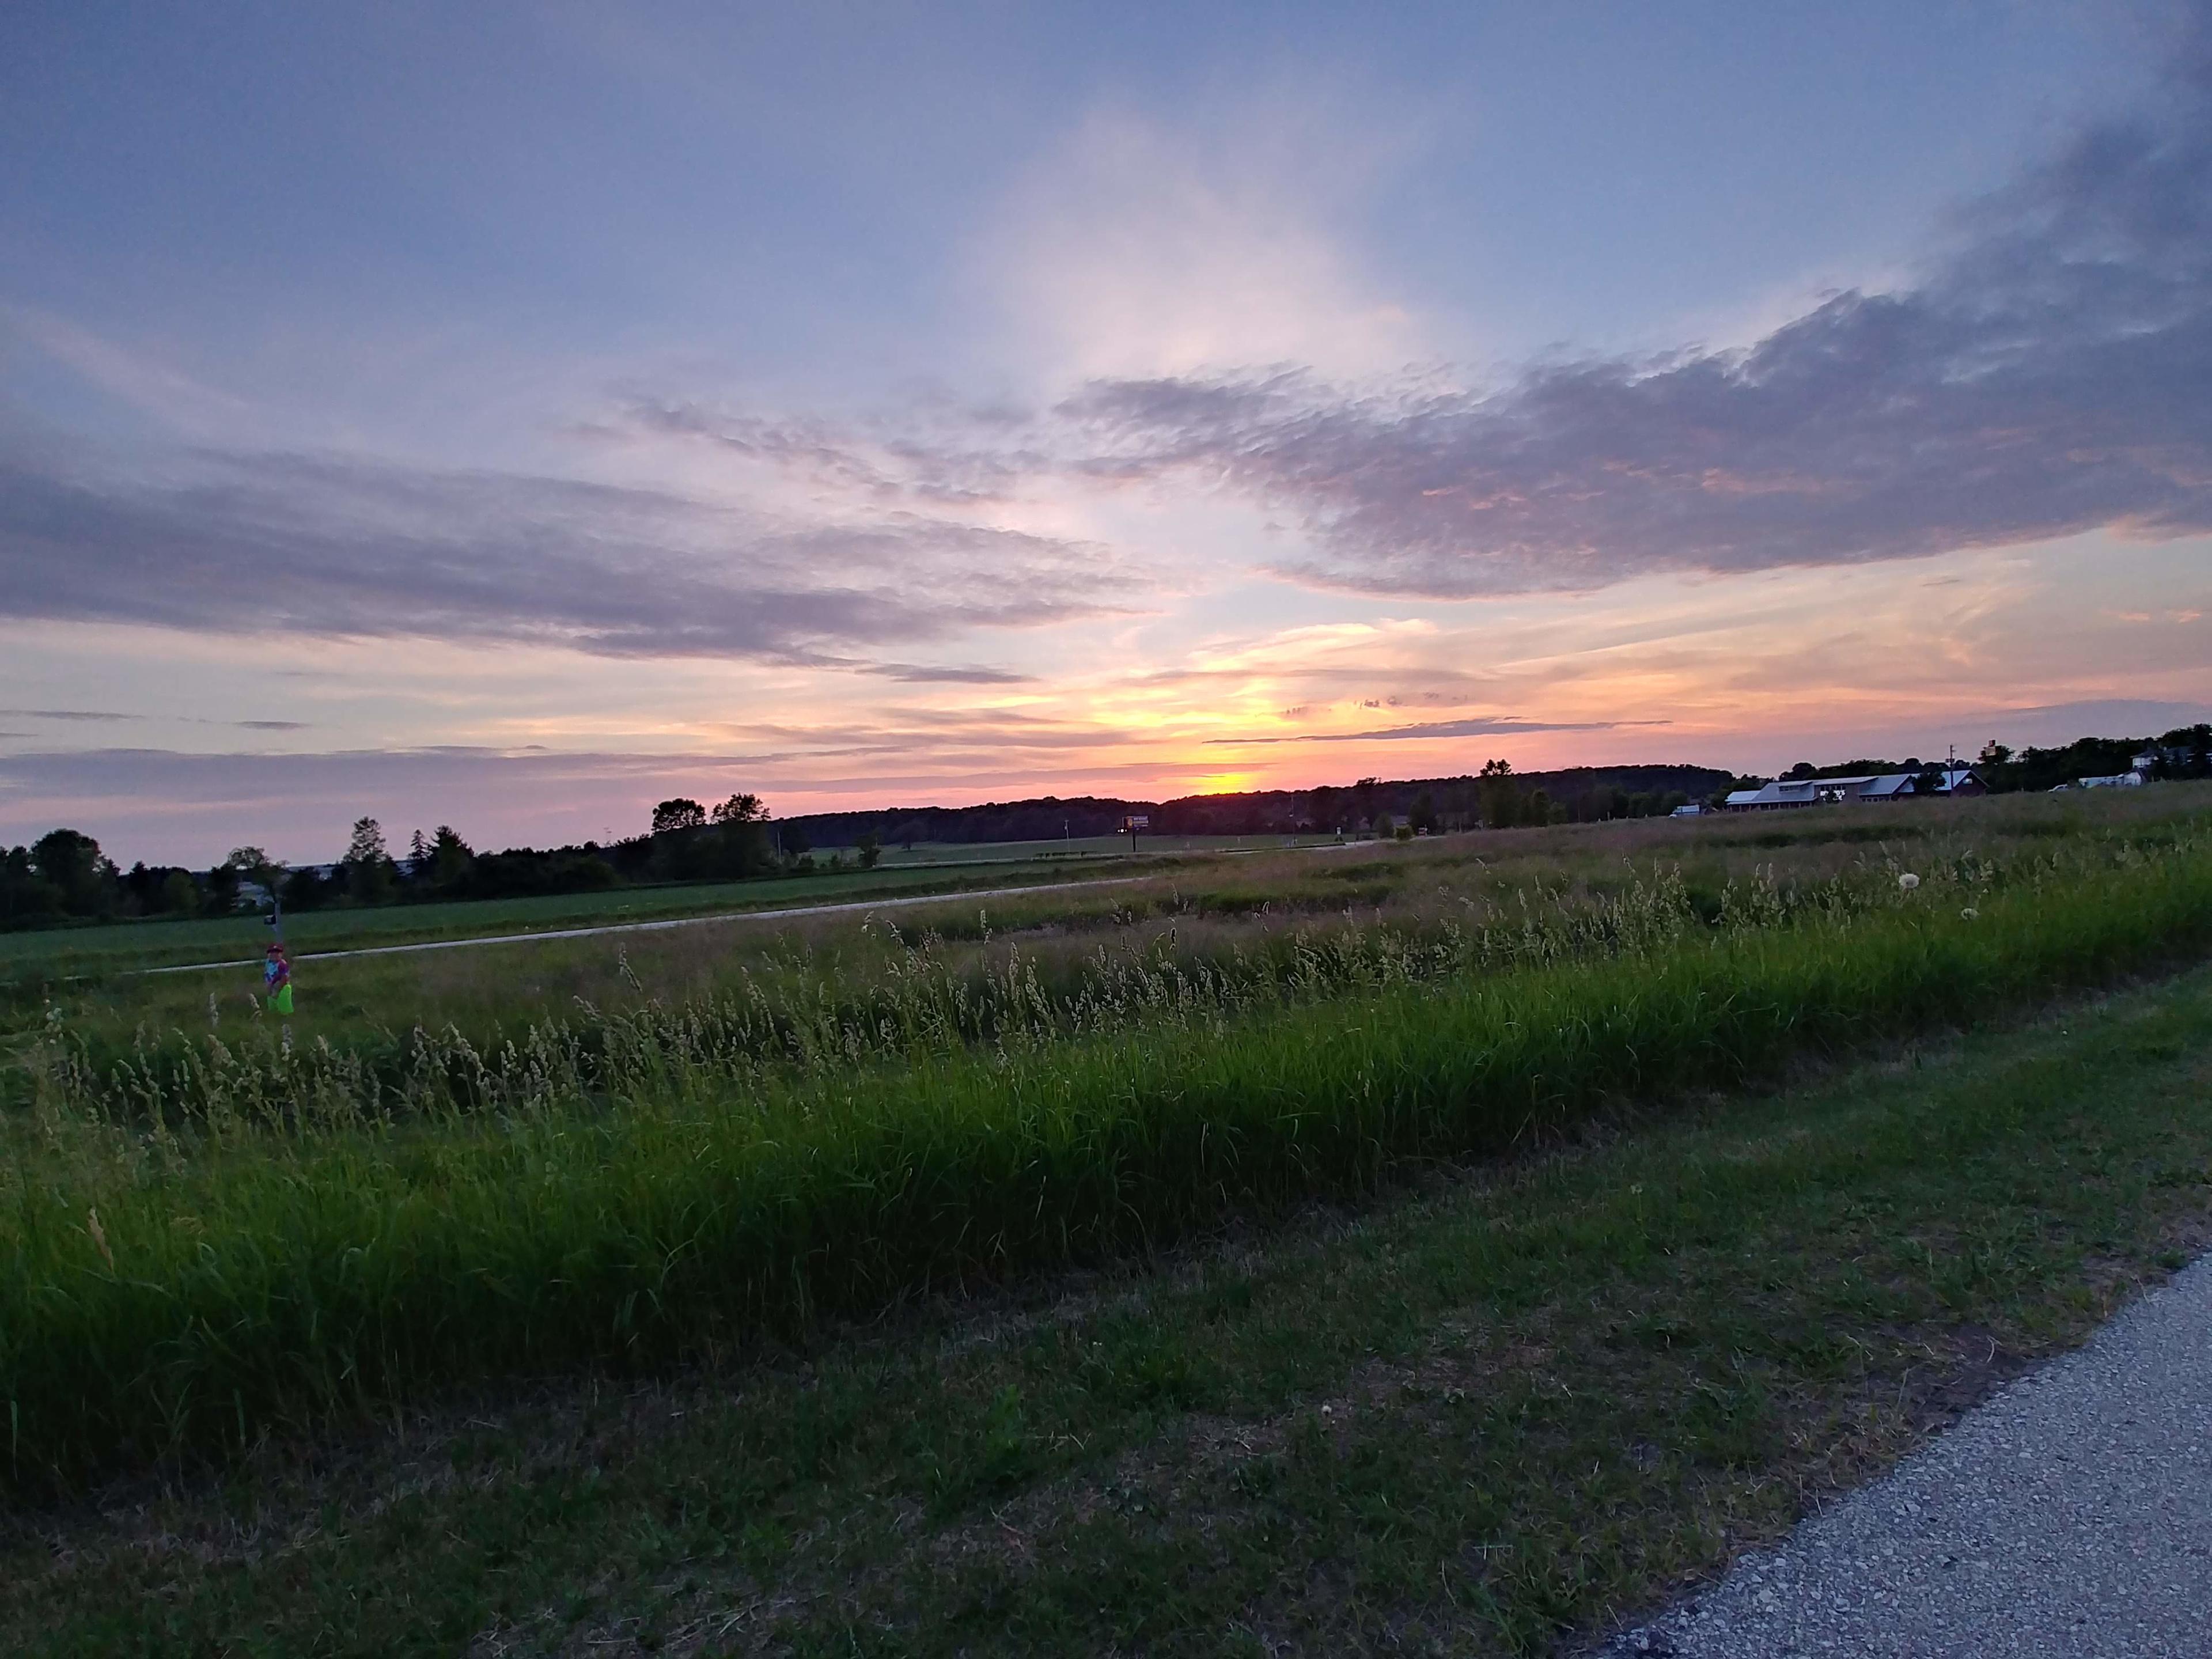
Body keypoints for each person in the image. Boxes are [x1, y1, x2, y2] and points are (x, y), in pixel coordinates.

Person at [263, 941, 294, 1016]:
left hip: (282, 988)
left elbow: (284, 978)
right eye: (271, 953)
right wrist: (268, 986)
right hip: (271, 987)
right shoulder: (268, 963)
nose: (274, 955)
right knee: (272, 1010)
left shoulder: (282, 964)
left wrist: (277, 990)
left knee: (284, 1009)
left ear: (281, 954)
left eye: (277, 953)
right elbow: (266, 973)